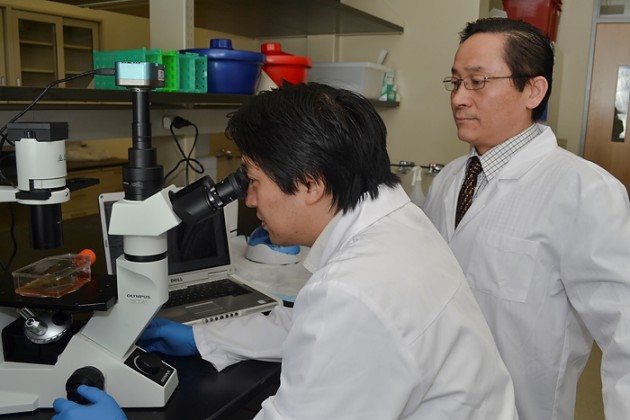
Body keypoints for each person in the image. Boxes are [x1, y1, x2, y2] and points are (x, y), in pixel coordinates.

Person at [53, 82, 518, 419]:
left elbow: (342, 323)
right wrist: (201, 340)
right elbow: (310, 327)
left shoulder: (357, 291)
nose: (249, 202)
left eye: (252, 182)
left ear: (312, 184)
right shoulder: (396, 220)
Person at [423, 17, 630, 420]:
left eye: (478, 82)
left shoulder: (585, 192)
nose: (459, 98)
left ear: (533, 90)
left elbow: (626, 333)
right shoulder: (449, 180)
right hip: (434, 401)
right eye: (455, 82)